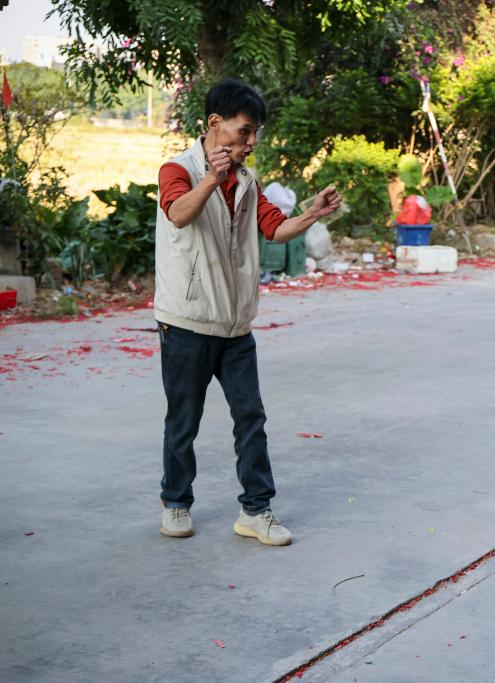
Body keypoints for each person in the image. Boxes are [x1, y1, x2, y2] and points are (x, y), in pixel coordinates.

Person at [155, 78, 342, 546]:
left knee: (251, 419)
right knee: (184, 419)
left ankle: (256, 511)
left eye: (255, 133)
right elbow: (177, 213)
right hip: (187, 322)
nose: (252, 142)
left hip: (237, 326)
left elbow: (275, 230)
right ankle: (176, 503)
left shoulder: (249, 181)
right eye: (245, 132)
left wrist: (313, 213)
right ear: (215, 125)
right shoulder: (176, 169)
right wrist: (212, 180)